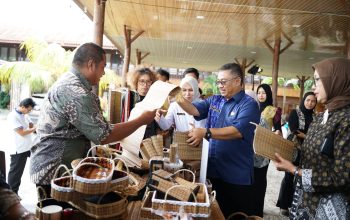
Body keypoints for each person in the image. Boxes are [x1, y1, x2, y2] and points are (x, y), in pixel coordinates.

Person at [30, 43, 156, 196]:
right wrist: (141, 120)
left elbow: (100, 128)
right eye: (103, 67)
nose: (103, 73)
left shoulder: (71, 82)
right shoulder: (75, 92)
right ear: (91, 64)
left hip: (58, 164)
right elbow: (104, 135)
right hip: (56, 168)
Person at [174, 63, 260, 217]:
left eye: (223, 81)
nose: (219, 85)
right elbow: (193, 109)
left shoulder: (249, 104)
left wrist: (206, 132)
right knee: (213, 214)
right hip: (212, 172)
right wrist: (176, 96)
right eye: (218, 82)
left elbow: (237, 131)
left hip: (235, 176)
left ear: (237, 81)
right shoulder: (215, 100)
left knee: (235, 215)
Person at [274, 57, 350, 219]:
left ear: (337, 81)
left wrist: (295, 170)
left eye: (318, 80)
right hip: (304, 203)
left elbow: (343, 177)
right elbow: (309, 154)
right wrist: (284, 152)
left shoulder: (346, 120)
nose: (314, 88)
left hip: (328, 210)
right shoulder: (321, 117)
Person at [276, 92, 317, 217]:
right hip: (293, 149)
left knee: (300, 178)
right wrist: (310, 137)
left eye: (313, 101)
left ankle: (296, 205)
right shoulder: (296, 113)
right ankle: (284, 205)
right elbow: (295, 130)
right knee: (289, 176)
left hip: (307, 151)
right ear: (303, 100)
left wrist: (309, 138)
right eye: (308, 100)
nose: (310, 103)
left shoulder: (316, 117)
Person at [252, 84, 282, 217]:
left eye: (264, 93)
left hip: (264, 149)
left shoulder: (274, 110)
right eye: (259, 93)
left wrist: (273, 134)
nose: (261, 95)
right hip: (250, 148)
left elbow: (278, 130)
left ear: (268, 94)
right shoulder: (252, 108)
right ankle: (249, 207)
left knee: (260, 179)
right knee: (250, 177)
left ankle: (258, 209)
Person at [7, 98, 36, 195]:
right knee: (15, 173)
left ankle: (15, 193)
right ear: (23, 106)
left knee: (21, 172)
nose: (29, 111)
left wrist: (35, 127)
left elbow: (31, 125)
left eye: (31, 110)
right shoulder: (13, 116)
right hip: (18, 149)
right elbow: (22, 132)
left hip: (27, 147)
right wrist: (35, 128)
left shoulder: (24, 114)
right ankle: (12, 195)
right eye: (29, 109)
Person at [127, 66, 160, 139]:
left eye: (148, 81)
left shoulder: (155, 99)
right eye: (142, 81)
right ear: (136, 82)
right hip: (132, 136)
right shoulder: (129, 97)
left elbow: (158, 124)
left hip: (150, 137)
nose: (145, 85)